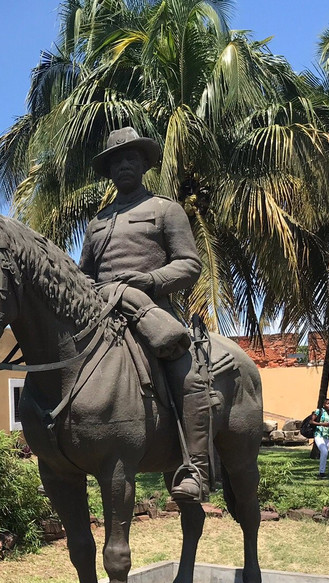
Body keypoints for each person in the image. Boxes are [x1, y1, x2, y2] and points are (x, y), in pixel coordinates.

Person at [78, 127, 209, 502]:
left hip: (150, 310)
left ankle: (193, 468)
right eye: (116, 160)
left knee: (189, 375)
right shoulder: (98, 222)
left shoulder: (166, 210)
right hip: (100, 313)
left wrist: (150, 280)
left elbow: (189, 265)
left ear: (144, 164)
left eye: (130, 158)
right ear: (109, 170)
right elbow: (85, 274)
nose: (123, 166)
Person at [310, 398, 329, 478]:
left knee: (324, 454)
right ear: (324, 404)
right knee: (324, 452)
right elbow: (311, 421)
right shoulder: (319, 411)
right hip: (318, 434)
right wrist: (322, 424)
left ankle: (322, 472)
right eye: (327, 403)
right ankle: (321, 471)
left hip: (326, 435)